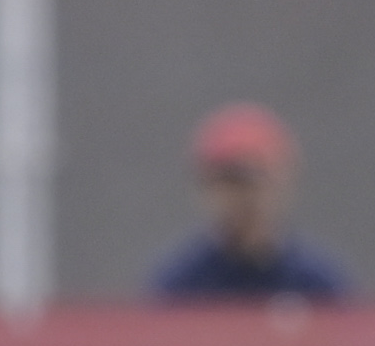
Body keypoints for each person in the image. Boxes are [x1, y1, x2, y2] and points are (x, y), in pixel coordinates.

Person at [149, 103, 353, 305]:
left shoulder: (317, 285)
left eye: (251, 182)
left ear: (283, 183)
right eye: (227, 183)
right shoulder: (179, 288)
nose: (240, 198)